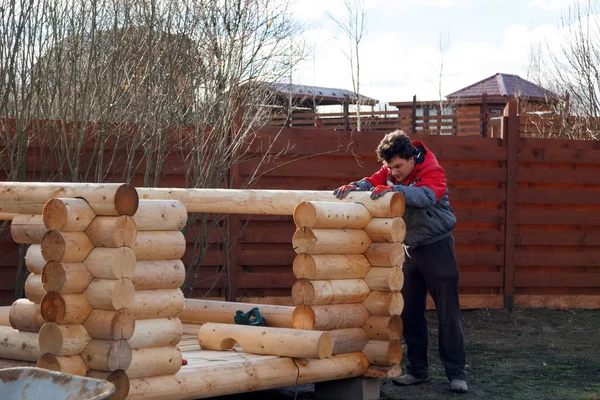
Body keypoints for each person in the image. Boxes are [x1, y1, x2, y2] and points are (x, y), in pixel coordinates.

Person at [333, 130, 468, 394]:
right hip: (408, 249)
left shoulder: (432, 170)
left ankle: (456, 373)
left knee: (448, 313)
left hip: (437, 247)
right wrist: (356, 187)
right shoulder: (391, 171)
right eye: (389, 167)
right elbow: (373, 181)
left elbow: (426, 197)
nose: (392, 172)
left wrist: (394, 190)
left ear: (411, 160)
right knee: (409, 312)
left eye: (397, 167)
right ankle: (418, 371)